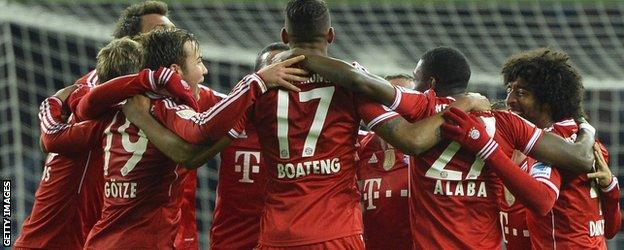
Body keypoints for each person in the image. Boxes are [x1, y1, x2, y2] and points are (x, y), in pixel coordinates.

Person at [289, 46, 597, 249]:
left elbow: (360, 81)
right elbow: (580, 158)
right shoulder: (506, 123)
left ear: (430, 83)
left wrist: (300, 51)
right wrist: (585, 126)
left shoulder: (424, 105)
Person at [65, 28, 304, 249]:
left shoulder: (118, 104)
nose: (205, 71)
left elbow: (80, 110)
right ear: (176, 72)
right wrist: (255, 83)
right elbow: (197, 136)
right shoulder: (168, 107)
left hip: (104, 239)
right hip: (144, 242)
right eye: (199, 62)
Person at [443, 48, 621, 249]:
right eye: (509, 89)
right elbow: (611, 229)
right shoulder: (588, 141)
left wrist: (486, 147)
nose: (510, 100)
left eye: (521, 93)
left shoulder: (554, 146)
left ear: (548, 101)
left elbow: (542, 199)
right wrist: (610, 187)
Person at [14, 37, 143, 250]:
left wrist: (52, 103)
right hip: (49, 243)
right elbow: (49, 140)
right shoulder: (106, 122)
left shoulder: (81, 100)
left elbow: (48, 138)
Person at [209, 42, 290, 250]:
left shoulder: (312, 126)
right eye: (272, 72)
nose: (278, 80)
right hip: (233, 244)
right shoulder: (228, 112)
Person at [356, 75, 415, 249]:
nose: (395, 109)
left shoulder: (426, 151)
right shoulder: (358, 147)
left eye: (404, 100)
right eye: (387, 100)